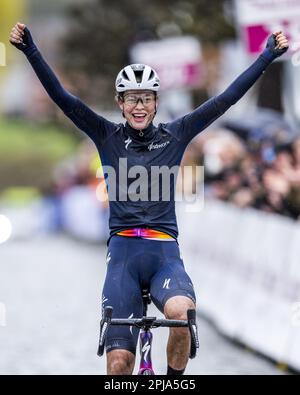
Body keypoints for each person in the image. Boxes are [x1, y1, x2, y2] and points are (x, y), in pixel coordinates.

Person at [10, 22, 289, 375]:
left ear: (156, 102)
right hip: (123, 258)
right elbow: (64, 99)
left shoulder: (176, 135)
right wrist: (31, 50)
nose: (138, 106)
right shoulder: (105, 134)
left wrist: (266, 57)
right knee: (119, 364)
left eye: (145, 98)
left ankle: (171, 382)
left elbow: (225, 100)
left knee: (181, 315)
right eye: (131, 99)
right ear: (120, 103)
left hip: (164, 255)